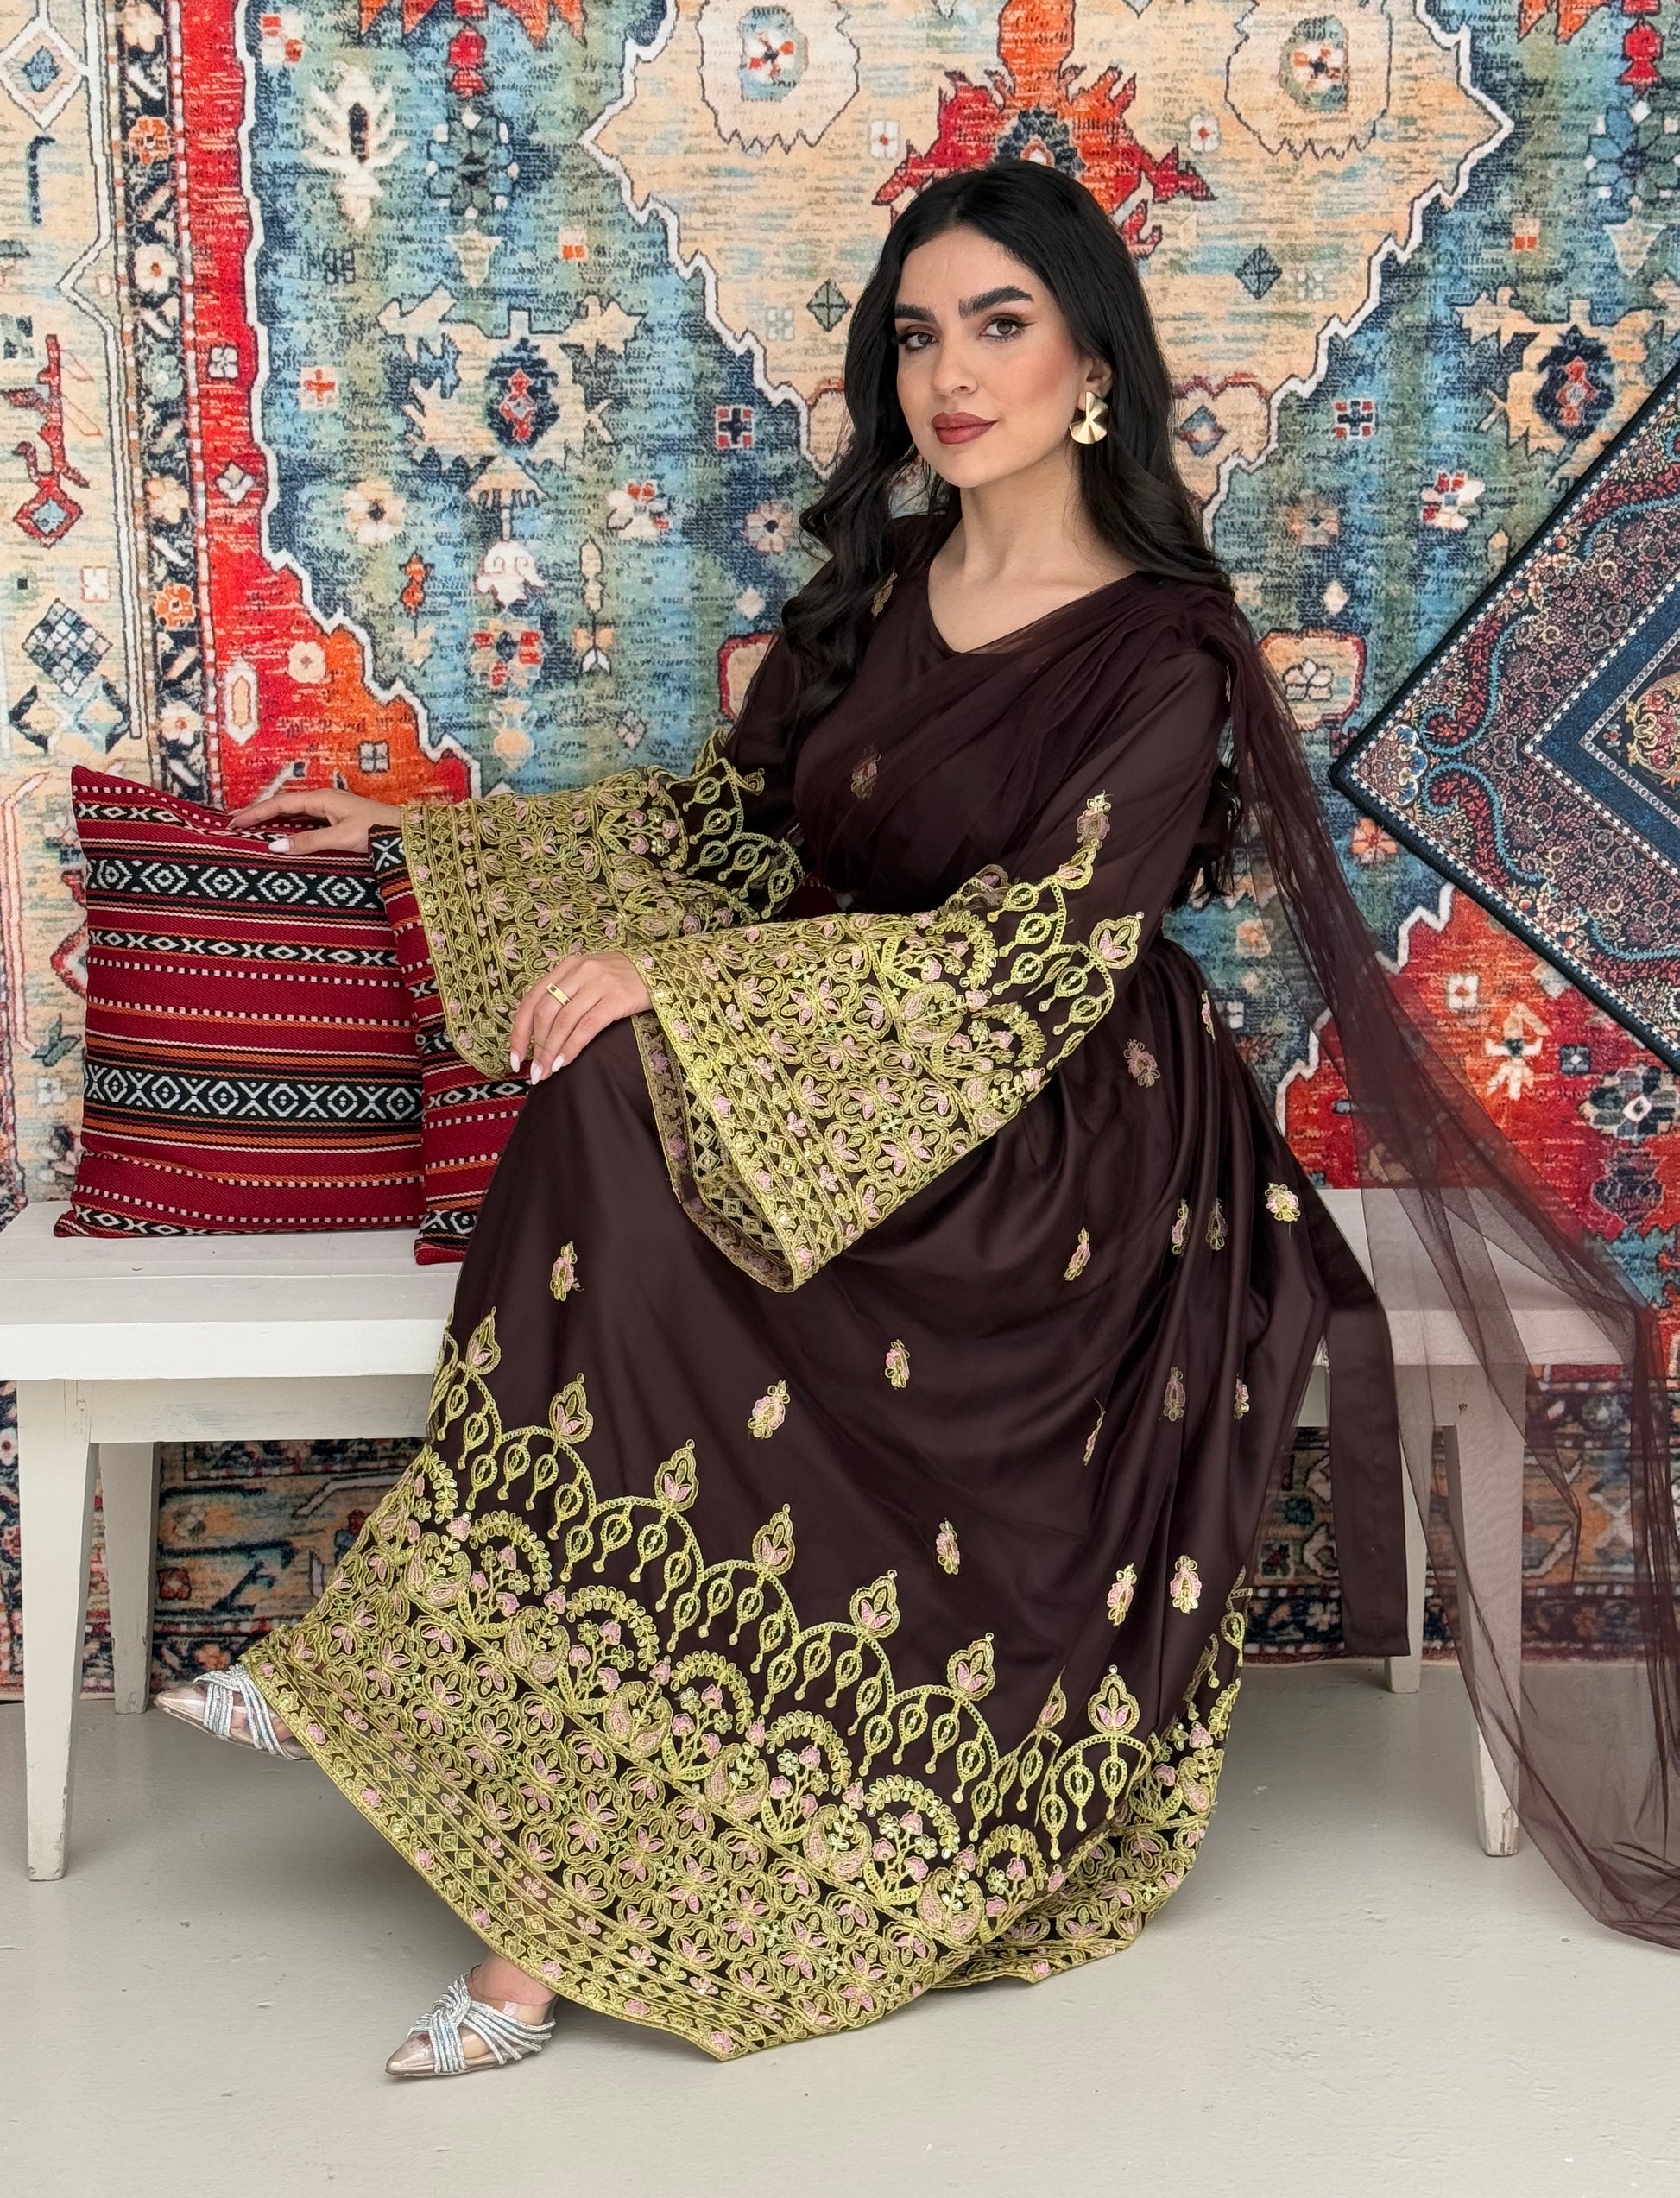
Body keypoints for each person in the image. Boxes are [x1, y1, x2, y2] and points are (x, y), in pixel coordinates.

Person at [154, 159, 1680, 2076]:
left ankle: (431, 1727)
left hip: (1063, 1133)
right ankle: (474, 1775)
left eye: (999, 324)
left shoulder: (1160, 647)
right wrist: (432, 843)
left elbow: (1033, 955)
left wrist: (689, 991)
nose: (951, 374)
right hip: (836, 1063)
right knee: (598, 1097)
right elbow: (730, 835)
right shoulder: (874, 591)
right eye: (916, 333)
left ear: (1092, 366)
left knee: (630, 1073)